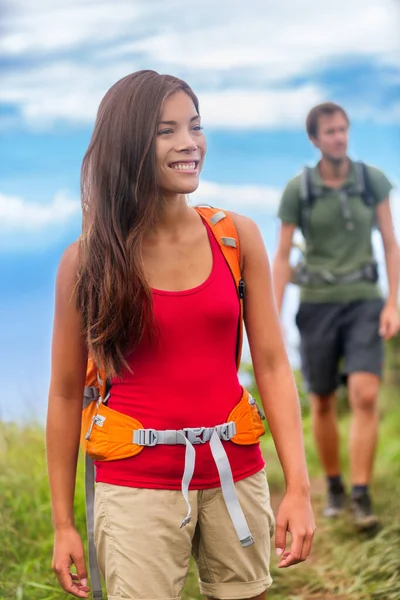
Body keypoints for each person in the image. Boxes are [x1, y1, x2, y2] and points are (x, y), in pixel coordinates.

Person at [46, 70, 315, 600]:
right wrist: (63, 525)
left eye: (194, 126)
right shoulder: (86, 262)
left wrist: (299, 489)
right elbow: (61, 393)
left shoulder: (238, 237)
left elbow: (274, 366)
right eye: (166, 131)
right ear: (129, 143)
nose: (189, 143)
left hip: (236, 471)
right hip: (134, 488)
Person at [272, 102, 400, 531]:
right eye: (330, 131)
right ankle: (335, 487)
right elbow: (282, 256)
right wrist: (271, 315)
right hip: (317, 303)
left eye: (343, 129)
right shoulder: (299, 190)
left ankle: (361, 494)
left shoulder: (371, 181)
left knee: (364, 394)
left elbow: (390, 242)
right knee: (323, 399)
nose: (339, 137)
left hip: (365, 299)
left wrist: (393, 302)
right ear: (315, 139)